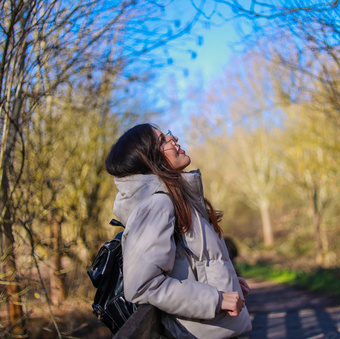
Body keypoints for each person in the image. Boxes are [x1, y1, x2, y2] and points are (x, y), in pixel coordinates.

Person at [105, 123, 252, 339]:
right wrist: (216, 299)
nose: (174, 140)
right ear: (150, 158)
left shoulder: (177, 198)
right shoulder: (156, 205)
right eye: (163, 141)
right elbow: (143, 285)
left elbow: (188, 261)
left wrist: (225, 280)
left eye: (168, 136)